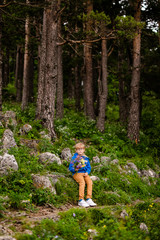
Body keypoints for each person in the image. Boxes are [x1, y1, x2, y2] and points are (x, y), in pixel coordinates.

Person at [69, 142, 97, 207]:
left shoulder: (86, 158)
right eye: (78, 149)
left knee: (90, 182)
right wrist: (75, 169)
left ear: (84, 150)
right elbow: (71, 168)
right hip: (77, 173)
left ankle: (88, 198)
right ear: (76, 150)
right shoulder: (74, 158)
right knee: (82, 182)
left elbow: (89, 167)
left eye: (81, 149)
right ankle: (81, 200)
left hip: (85, 173)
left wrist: (87, 172)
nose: (80, 150)